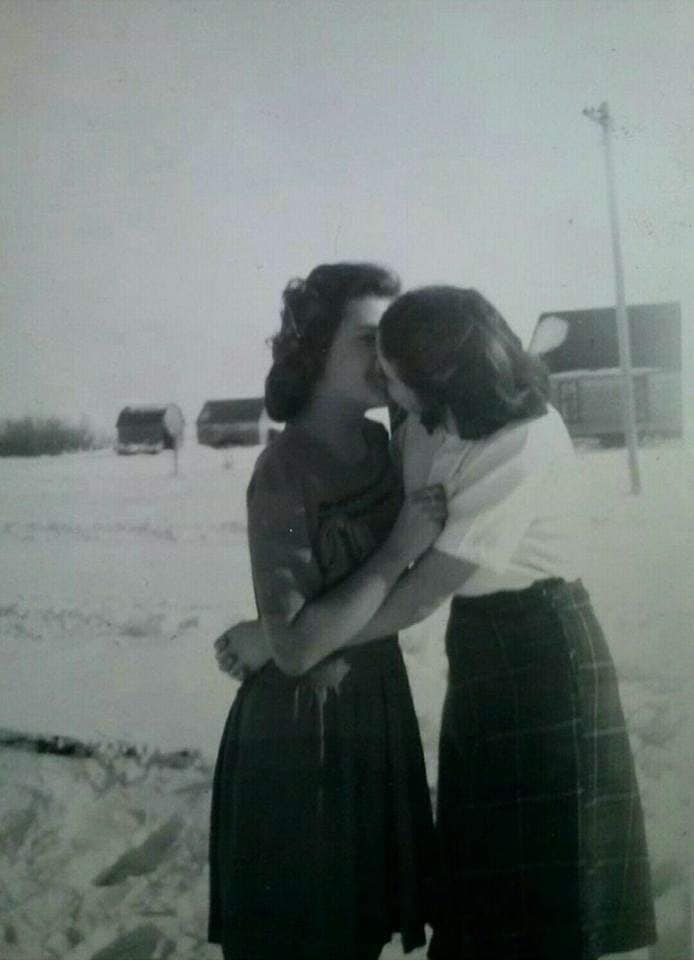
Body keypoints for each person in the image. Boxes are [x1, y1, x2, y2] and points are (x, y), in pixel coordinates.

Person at [365, 286, 657, 960]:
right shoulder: (434, 421)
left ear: (436, 373)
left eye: (390, 369)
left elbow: (422, 593)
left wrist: (307, 642)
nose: (382, 381)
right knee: (485, 863)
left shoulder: (522, 439)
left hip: (542, 649)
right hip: (482, 641)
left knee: (552, 880)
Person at [208, 263, 445, 960]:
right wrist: (396, 549)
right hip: (300, 734)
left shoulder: (388, 443)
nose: (388, 356)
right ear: (314, 350)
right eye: (369, 339)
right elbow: (295, 649)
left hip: (375, 713)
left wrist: (269, 635)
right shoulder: (284, 468)